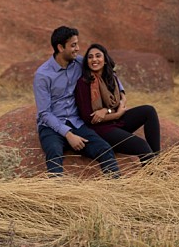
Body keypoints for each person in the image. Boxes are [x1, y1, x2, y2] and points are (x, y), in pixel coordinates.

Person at [33, 26, 120, 177]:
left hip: (77, 122)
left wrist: (122, 93)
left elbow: (107, 73)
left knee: (104, 149)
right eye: (73, 45)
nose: (78, 49)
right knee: (54, 153)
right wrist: (68, 135)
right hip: (51, 127)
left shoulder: (80, 63)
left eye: (77, 44)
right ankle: (58, 197)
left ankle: (117, 190)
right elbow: (45, 113)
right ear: (60, 47)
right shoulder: (43, 75)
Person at [74, 43, 161, 166]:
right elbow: (90, 119)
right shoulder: (84, 83)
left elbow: (120, 97)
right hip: (100, 129)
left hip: (115, 121)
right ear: (86, 62)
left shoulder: (111, 77)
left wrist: (108, 110)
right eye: (90, 57)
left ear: (104, 60)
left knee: (149, 111)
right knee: (142, 146)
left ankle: (158, 162)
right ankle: (154, 178)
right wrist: (116, 114)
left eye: (98, 56)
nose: (94, 59)